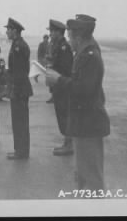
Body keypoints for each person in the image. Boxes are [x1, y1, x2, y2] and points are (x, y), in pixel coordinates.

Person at [46, 15, 110, 191]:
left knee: (91, 177)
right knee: (83, 175)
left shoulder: (90, 56)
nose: (69, 40)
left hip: (88, 124)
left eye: (70, 36)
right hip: (84, 123)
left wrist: (58, 80)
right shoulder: (84, 54)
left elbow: (84, 89)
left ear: (78, 37)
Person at [4, 18, 33, 160]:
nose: (6, 32)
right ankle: (19, 150)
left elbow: (20, 72)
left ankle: (22, 152)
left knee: (20, 121)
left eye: (8, 29)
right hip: (19, 88)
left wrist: (14, 88)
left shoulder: (19, 47)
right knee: (18, 121)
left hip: (20, 89)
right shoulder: (17, 44)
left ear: (14, 31)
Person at [46, 19, 74, 156]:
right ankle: (67, 143)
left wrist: (53, 68)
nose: (50, 34)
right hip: (58, 86)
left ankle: (69, 145)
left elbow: (66, 69)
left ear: (58, 32)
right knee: (61, 114)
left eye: (51, 31)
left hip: (63, 86)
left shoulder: (64, 47)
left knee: (65, 114)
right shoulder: (57, 45)